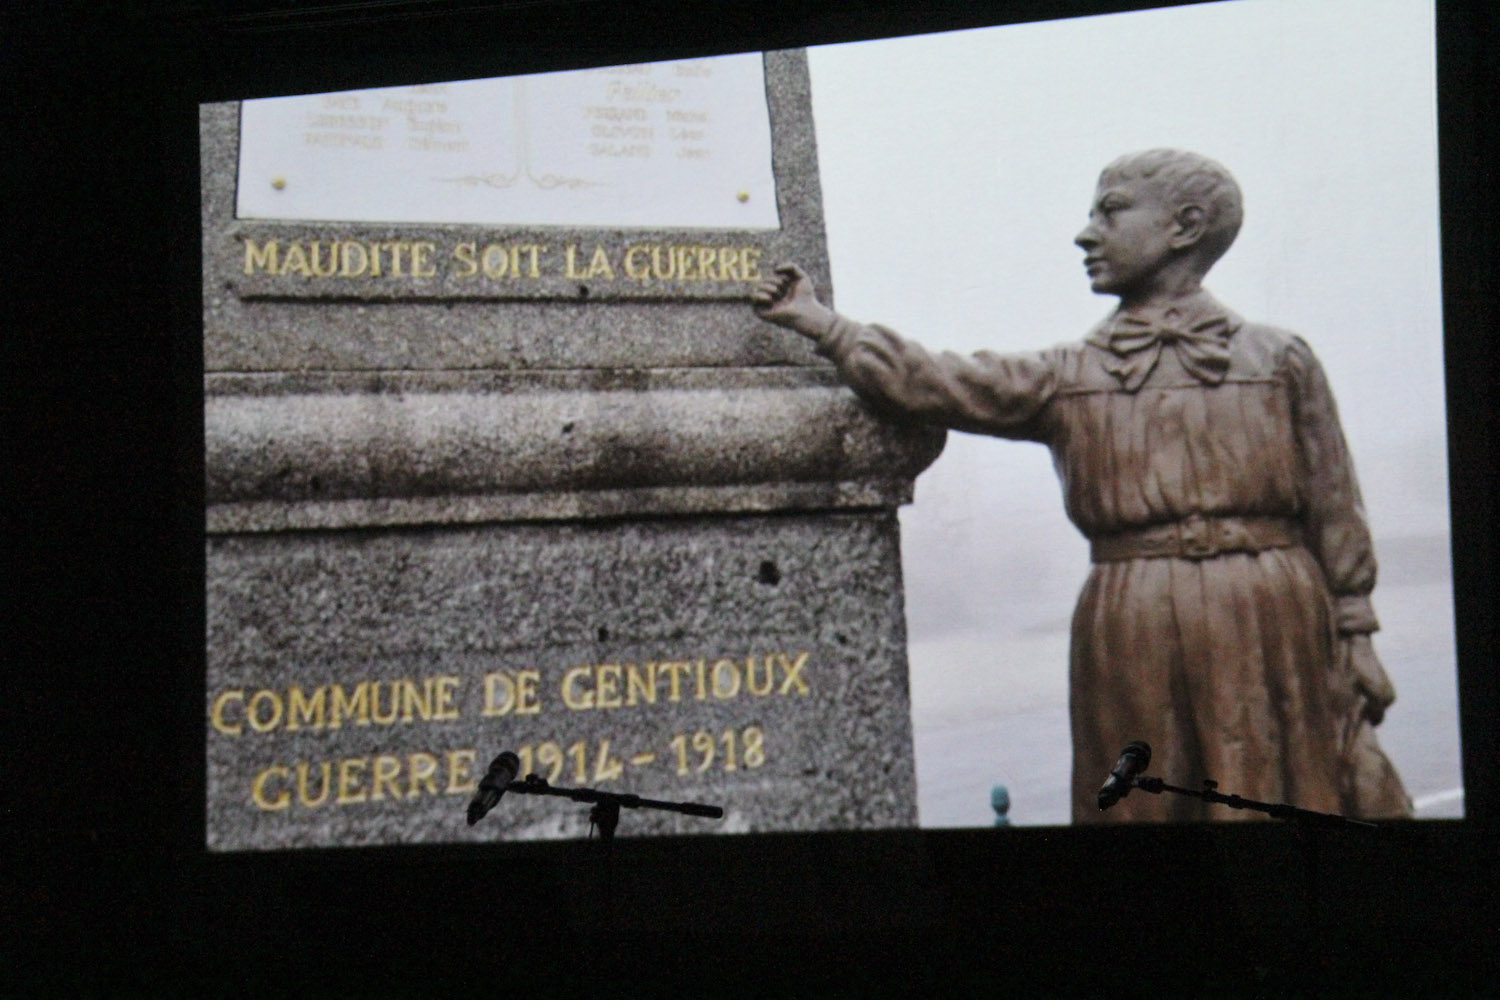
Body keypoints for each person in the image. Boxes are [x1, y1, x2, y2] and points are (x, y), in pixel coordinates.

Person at [753, 149, 1411, 823]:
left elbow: (1335, 503)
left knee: (1281, 793)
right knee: (1139, 804)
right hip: (1133, 617)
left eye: (1111, 210)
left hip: (1273, 611)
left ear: (1184, 227)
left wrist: (1356, 635)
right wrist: (825, 327)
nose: (1085, 233)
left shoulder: (1281, 361)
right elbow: (940, 381)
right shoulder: (1066, 375)